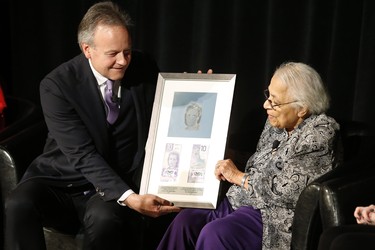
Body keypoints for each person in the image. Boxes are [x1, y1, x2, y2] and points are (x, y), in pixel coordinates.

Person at [4, 2, 181, 250]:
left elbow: (167, 109)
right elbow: (81, 154)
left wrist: (197, 90)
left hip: (115, 179)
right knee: (18, 203)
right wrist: (131, 199)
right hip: (62, 178)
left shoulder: (143, 66)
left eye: (127, 51)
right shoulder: (57, 85)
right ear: (87, 49)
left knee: (104, 219)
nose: (123, 61)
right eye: (113, 54)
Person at [157, 62, 342, 250]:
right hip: (240, 201)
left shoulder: (321, 132)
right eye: (268, 95)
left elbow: (284, 189)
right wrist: (229, 155)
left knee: (215, 233)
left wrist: (237, 176)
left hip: (271, 215)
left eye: (274, 101)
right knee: (185, 221)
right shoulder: (277, 123)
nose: (265, 105)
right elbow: (263, 163)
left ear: (302, 108)